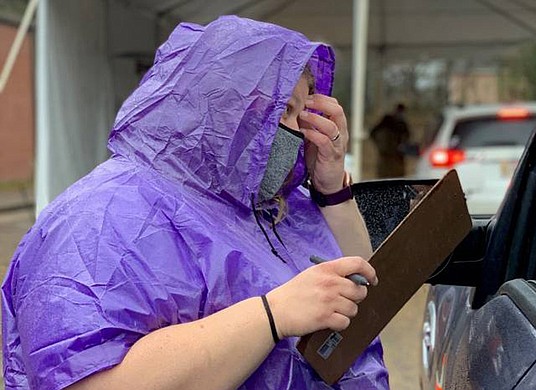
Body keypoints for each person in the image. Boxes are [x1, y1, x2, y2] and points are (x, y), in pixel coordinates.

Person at [1, 16, 389, 390]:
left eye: (302, 112)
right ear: (224, 103)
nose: (297, 131)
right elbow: (88, 378)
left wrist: (332, 188)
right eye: (283, 109)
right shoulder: (99, 218)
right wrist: (271, 316)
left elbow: (364, 288)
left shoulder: (264, 203)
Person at [370, 103, 411, 178]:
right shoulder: (389, 122)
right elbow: (373, 133)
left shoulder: (400, 124)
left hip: (394, 157)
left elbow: (407, 136)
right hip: (389, 157)